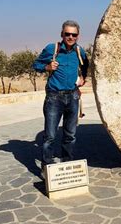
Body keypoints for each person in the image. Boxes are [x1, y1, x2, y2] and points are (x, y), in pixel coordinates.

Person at [33, 20, 89, 175]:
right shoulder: (53, 49)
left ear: (78, 36)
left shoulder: (79, 51)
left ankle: (68, 164)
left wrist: (83, 78)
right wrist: (46, 67)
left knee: (70, 135)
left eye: (74, 34)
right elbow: (35, 65)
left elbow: (86, 66)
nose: (70, 37)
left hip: (72, 97)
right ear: (62, 34)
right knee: (50, 136)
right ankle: (47, 167)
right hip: (54, 98)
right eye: (67, 34)